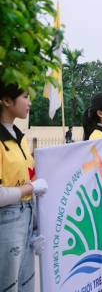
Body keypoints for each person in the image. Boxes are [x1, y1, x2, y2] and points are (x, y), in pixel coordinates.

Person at [0, 81, 48, 292]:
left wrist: (35, 223)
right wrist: (32, 188)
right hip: (7, 220)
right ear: (7, 100)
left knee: (25, 286)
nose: (29, 102)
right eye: (25, 96)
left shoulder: (19, 138)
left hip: (25, 217)